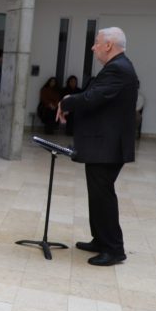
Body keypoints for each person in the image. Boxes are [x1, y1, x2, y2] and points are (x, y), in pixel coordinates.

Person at [57, 27, 138, 266]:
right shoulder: (118, 67)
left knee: (103, 195)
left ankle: (114, 249)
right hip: (103, 145)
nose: (93, 47)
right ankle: (101, 240)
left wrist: (66, 101)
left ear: (109, 45)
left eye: (96, 43)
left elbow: (92, 98)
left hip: (108, 146)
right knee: (97, 194)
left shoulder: (118, 69)